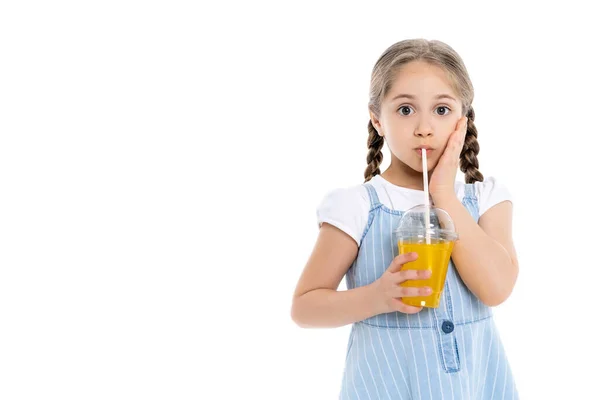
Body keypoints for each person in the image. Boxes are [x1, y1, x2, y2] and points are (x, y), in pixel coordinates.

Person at [291, 39, 520, 399]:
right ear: (377, 119)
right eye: (405, 110)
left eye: (441, 110)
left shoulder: (485, 198)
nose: (424, 127)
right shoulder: (358, 206)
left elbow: (496, 288)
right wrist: (378, 297)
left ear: (464, 119)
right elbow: (305, 307)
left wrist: (443, 193)